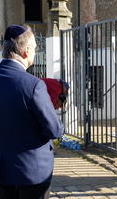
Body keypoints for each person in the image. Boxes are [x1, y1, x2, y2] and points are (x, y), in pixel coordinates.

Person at [0, 25, 64, 199]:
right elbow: (54, 130)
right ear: (26, 51)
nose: (35, 52)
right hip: (31, 173)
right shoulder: (33, 85)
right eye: (35, 48)